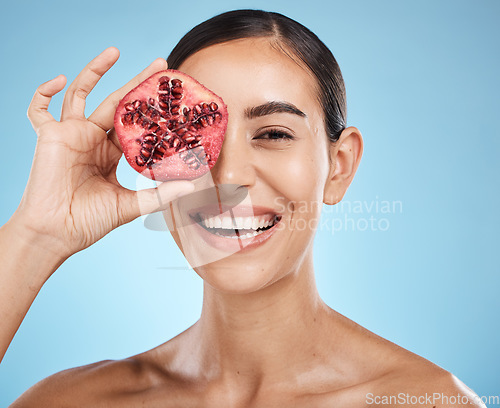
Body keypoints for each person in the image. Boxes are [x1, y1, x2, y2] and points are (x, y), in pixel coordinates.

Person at [1, 10, 484, 408]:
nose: (227, 176)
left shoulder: (428, 401)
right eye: (191, 134)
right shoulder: (71, 402)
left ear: (339, 166)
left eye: (273, 134)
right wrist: (37, 235)